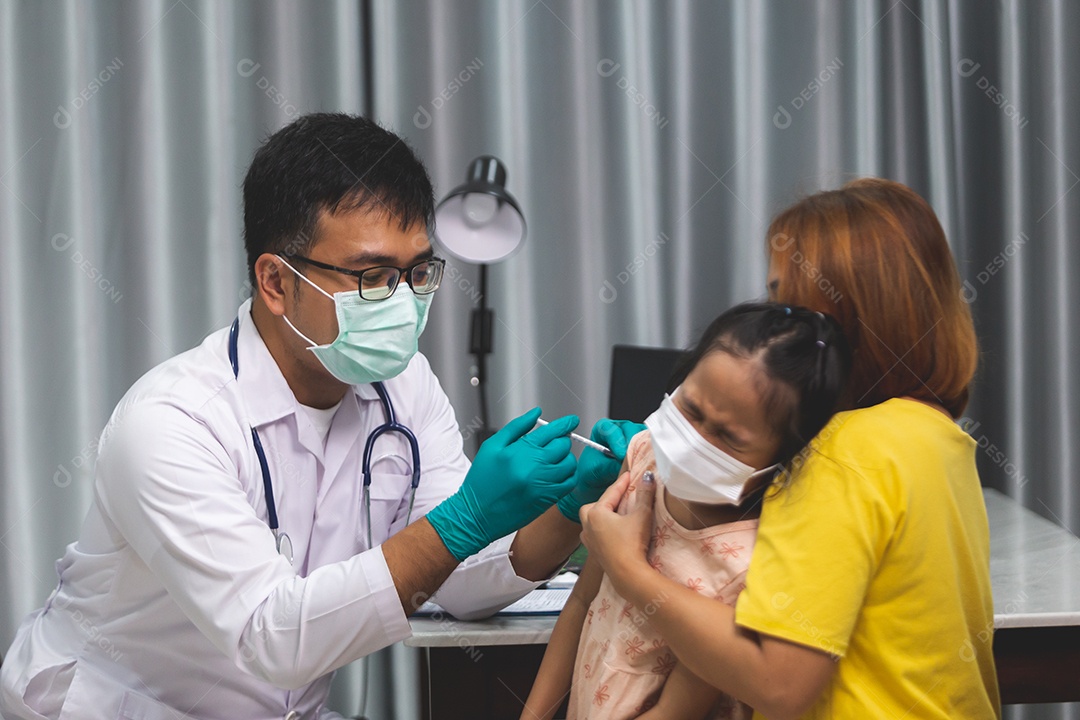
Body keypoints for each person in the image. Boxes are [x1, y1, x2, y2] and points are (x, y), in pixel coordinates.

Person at [0, 113, 639, 718]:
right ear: (276, 283)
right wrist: (464, 518)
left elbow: (463, 586)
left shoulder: (403, 384)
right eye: (371, 276)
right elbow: (274, 636)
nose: (402, 302)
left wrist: (569, 512)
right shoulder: (172, 424)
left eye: (418, 272)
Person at [579, 178, 1000, 720]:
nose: (771, 326)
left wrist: (627, 568)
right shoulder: (937, 435)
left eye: (783, 300)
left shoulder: (841, 452)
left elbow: (777, 683)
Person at [521, 303, 851, 720]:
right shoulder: (642, 461)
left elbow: (675, 711)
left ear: (782, 456)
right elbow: (582, 601)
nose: (695, 440)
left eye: (728, 437)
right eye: (691, 410)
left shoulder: (746, 564)